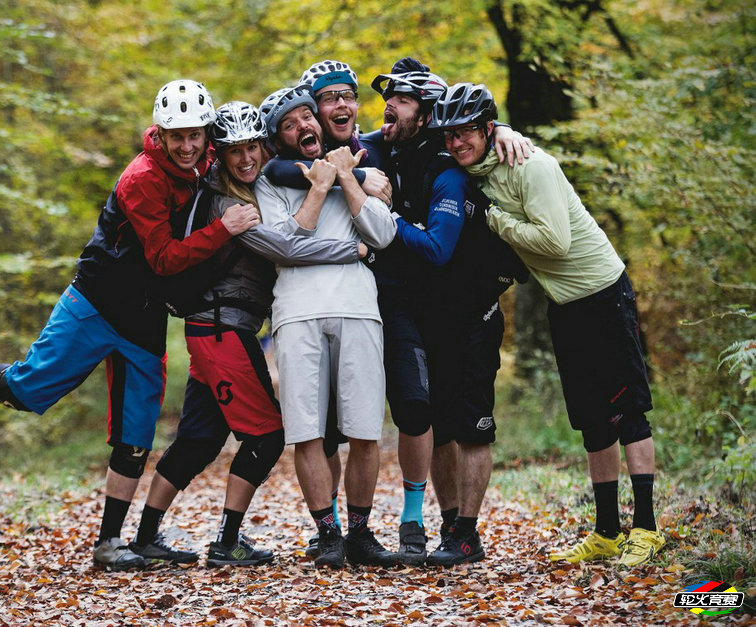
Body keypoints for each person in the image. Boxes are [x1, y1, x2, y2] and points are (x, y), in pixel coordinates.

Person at [0, 80, 262, 571]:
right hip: (94, 303)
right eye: (177, 136)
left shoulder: (206, 163)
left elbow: (256, 155)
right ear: (160, 132)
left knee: (136, 432)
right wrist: (224, 229)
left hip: (145, 317)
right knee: (28, 390)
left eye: (196, 135)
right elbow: (162, 259)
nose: (188, 145)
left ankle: (110, 543)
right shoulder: (142, 178)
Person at [434, 83, 665, 567]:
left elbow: (554, 242)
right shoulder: (477, 169)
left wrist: (496, 220)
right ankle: (606, 531)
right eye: (450, 135)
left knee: (628, 413)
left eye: (467, 133)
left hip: (602, 292)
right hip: (565, 305)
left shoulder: (529, 165)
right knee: (591, 420)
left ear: (488, 128)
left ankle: (647, 528)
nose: (458, 143)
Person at [127, 101, 367, 567]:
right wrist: (353, 249)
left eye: (251, 147)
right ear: (220, 153)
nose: (245, 159)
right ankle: (227, 542)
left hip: (216, 329)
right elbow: (287, 247)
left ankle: (145, 536)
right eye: (234, 151)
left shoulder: (259, 182)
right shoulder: (228, 201)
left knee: (199, 439)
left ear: (263, 144)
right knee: (267, 436)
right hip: (223, 330)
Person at [365, 59, 531, 567]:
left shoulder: (450, 159)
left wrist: (502, 128)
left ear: (426, 110)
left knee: (474, 427)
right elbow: (318, 149)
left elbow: (437, 249)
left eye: (402, 99)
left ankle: (468, 533)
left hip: (475, 314)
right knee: (437, 427)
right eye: (388, 97)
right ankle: (450, 527)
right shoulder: (384, 146)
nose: (389, 106)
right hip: (430, 315)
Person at [254, 84, 398, 569]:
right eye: (289, 126)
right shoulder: (271, 182)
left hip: (359, 304)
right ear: (280, 139)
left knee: (363, 430)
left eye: (305, 118)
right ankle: (327, 531)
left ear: (318, 119)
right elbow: (287, 243)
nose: (303, 128)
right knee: (307, 431)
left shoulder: (360, 166)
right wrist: (320, 186)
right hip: (295, 310)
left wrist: (347, 178)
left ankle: (359, 531)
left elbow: (382, 234)